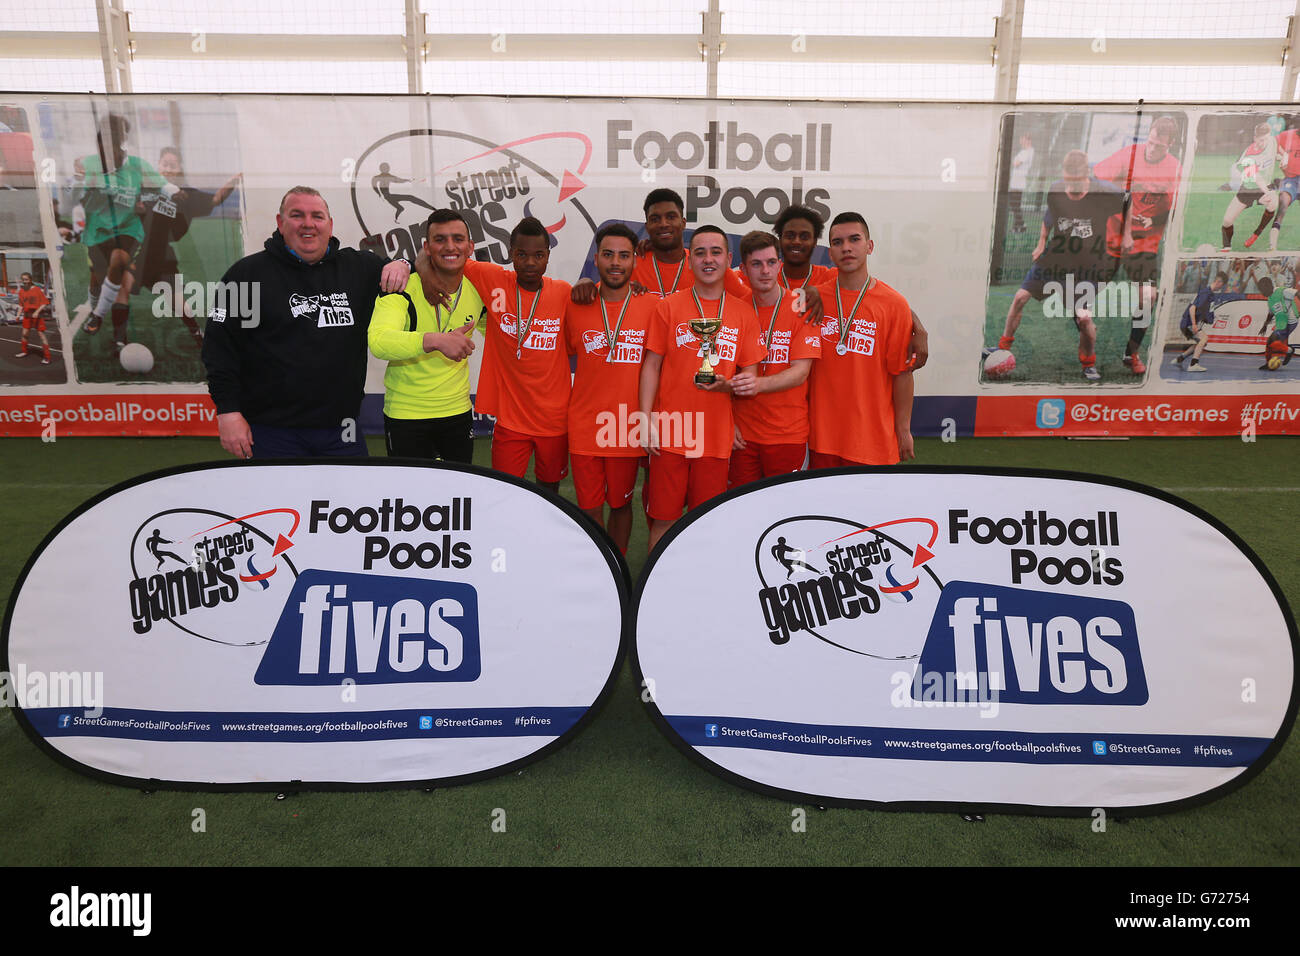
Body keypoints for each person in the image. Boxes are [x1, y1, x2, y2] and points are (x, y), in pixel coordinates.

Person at [202, 185, 411, 459]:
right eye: (297, 215)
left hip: (342, 431)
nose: (308, 224)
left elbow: (424, 271)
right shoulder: (246, 276)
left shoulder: (360, 269)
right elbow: (219, 351)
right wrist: (228, 411)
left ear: (330, 224)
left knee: (348, 502)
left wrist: (402, 263)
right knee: (277, 503)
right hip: (270, 432)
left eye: (317, 216)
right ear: (280, 222)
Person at [419, 217, 572, 492]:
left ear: (548, 256)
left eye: (538, 255)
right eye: (521, 254)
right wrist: (420, 265)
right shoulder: (493, 279)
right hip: (510, 418)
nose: (529, 262)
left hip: (555, 419)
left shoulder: (563, 293)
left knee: (550, 489)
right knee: (505, 489)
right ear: (511, 253)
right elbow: (447, 256)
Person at [639, 225, 763, 552]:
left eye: (716, 252)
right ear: (689, 259)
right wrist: (645, 419)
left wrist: (727, 388)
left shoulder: (743, 314)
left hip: (714, 437)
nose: (708, 259)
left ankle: (698, 592)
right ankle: (656, 593)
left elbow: (749, 376)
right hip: (670, 432)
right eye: (700, 252)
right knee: (663, 521)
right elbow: (650, 366)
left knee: (704, 520)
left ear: (729, 259)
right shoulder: (668, 307)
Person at [989, 150, 1125, 382]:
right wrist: (1041, 242)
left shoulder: (1104, 193)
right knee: (1020, 297)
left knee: (1083, 319)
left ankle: (1088, 364)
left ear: (1086, 175)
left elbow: (1129, 201)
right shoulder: (1056, 189)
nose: (1071, 186)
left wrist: (1128, 236)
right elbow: (1050, 214)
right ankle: (1003, 347)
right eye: (1068, 180)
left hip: (1088, 264)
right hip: (1055, 258)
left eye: (1077, 181)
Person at [564, 223, 657, 553]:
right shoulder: (575, 303)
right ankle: (597, 565)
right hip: (585, 424)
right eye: (608, 254)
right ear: (595, 258)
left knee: (620, 504)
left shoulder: (652, 307)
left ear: (634, 260)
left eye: (624, 255)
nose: (615, 262)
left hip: (627, 425)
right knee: (589, 508)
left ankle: (616, 566)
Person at [369, 208, 486, 463]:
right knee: (409, 499)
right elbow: (379, 341)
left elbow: (505, 331)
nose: (450, 246)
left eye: (458, 239)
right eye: (440, 239)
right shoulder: (401, 287)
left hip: (458, 412)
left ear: (470, 247)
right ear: (427, 247)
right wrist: (436, 340)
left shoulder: (481, 287)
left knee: (456, 496)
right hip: (406, 415)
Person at [809, 212, 915, 466]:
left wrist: (903, 430)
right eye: (837, 242)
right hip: (820, 439)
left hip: (872, 440)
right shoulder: (812, 299)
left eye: (854, 239)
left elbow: (902, 373)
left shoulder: (894, 304)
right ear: (830, 252)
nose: (846, 248)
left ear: (869, 246)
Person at [78, 113, 183, 347]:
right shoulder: (91, 164)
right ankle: (94, 302)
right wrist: (93, 188)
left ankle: (98, 315)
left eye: (112, 145)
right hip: (98, 231)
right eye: (102, 146)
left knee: (119, 260)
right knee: (96, 278)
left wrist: (174, 191)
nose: (107, 151)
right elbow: (81, 197)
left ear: (119, 145)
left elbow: (160, 183)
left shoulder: (137, 165)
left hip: (128, 229)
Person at [728, 230, 821, 486]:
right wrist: (726, 421)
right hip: (742, 435)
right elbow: (725, 370)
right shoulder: (734, 308)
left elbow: (801, 371)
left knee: (787, 516)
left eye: (771, 262)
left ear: (780, 264)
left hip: (787, 435)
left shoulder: (801, 306)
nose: (765, 271)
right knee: (740, 513)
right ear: (744, 269)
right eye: (756, 264)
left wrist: (757, 385)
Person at [1094, 116, 1181, 375]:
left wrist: (1150, 219)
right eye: (1151, 142)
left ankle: (1131, 353)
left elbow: (1173, 212)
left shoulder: (1174, 169)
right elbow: (1097, 180)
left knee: (1148, 296)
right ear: (1148, 136)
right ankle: (1087, 349)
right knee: (1083, 294)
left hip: (1146, 241)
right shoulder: (1129, 155)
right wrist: (1121, 199)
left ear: (1171, 144)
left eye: (1160, 146)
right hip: (1113, 236)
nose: (1153, 149)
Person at [135, 146, 242, 350]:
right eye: (164, 163)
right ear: (157, 165)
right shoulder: (145, 187)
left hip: (160, 255)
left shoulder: (187, 195)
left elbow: (215, 199)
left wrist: (234, 181)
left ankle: (196, 332)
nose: (167, 168)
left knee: (176, 299)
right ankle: (118, 339)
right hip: (136, 252)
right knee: (117, 283)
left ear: (179, 169)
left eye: (172, 165)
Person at [1222, 123, 1281, 251]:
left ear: (1269, 137)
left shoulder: (1272, 141)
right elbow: (1256, 177)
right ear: (1255, 138)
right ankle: (1227, 247)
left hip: (1265, 185)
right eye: (1260, 140)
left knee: (1273, 204)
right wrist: (1268, 193)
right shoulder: (1248, 155)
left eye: (1265, 139)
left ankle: (1256, 234)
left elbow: (1277, 150)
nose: (1263, 143)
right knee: (1227, 221)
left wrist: (1283, 156)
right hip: (1248, 188)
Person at [1246, 115, 1300, 250]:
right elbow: (1271, 145)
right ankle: (1272, 246)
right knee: (1282, 206)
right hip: (1291, 180)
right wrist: (1281, 156)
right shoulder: (1286, 136)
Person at [1174, 271, 1236, 373]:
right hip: (1188, 323)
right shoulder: (1206, 293)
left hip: (1187, 323)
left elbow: (1203, 312)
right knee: (1204, 339)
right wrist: (1194, 324)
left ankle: (1179, 359)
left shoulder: (1209, 294)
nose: (1221, 288)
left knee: (1202, 342)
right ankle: (1193, 364)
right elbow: (1192, 308)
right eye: (1222, 285)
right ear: (1219, 282)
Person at [1254, 275, 1298, 371]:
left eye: (1262, 290)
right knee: (1269, 343)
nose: (1261, 293)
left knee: (1272, 342)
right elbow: (1271, 313)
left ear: (1268, 286)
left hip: (1289, 321)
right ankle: (1268, 363)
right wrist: (1265, 325)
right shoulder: (1270, 299)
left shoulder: (1282, 291)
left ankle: (1289, 350)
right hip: (1281, 322)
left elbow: (1297, 293)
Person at [15, 272, 53, 365]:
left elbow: (44, 303)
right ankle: (24, 351)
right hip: (27, 316)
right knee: (24, 334)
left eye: (26, 279)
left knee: (41, 335)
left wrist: (36, 312)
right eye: (23, 280)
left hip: (37, 315)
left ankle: (47, 357)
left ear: (30, 280)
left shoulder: (37, 290)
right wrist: (18, 315)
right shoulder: (21, 291)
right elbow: (21, 305)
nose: (25, 282)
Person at [1008, 133, 1034, 234]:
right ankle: (1019, 226)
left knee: (1015, 205)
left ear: (1028, 141)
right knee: (1015, 205)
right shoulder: (1026, 151)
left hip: (1018, 183)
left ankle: (1021, 225)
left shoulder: (1026, 152)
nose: (1021, 142)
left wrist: (1016, 161)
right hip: (1017, 182)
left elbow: (1016, 163)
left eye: (1023, 140)